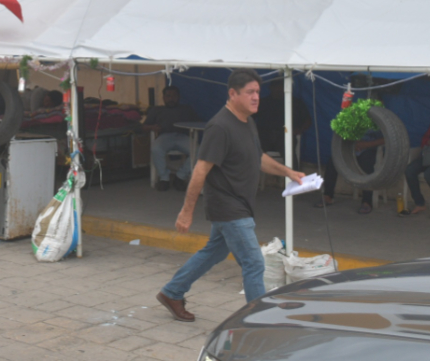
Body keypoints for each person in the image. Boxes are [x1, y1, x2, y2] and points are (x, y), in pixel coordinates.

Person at [156, 70, 304, 322]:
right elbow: (200, 171)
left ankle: (172, 292)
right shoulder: (220, 126)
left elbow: (257, 158)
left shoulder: (247, 121)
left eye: (257, 92)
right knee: (254, 263)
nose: (256, 97)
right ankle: (258, 318)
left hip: (241, 204)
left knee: (213, 252)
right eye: (250, 92)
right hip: (228, 207)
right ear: (232, 94)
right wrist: (186, 210)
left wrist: (287, 172)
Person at [143, 86, 197, 191]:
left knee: (199, 151)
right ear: (163, 97)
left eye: (174, 96)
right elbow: (144, 127)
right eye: (168, 96)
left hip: (182, 136)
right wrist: (152, 127)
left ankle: (180, 177)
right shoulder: (157, 110)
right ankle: (164, 178)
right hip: (164, 136)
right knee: (156, 149)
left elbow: (197, 123)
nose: (171, 98)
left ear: (179, 97)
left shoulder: (186, 109)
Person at [317, 132, 385, 214]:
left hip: (368, 148)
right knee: (334, 161)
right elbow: (339, 134)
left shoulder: (379, 120)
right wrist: (351, 143)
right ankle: (327, 196)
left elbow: (385, 139)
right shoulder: (349, 119)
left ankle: (367, 202)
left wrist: (366, 144)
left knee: (366, 165)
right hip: (350, 147)